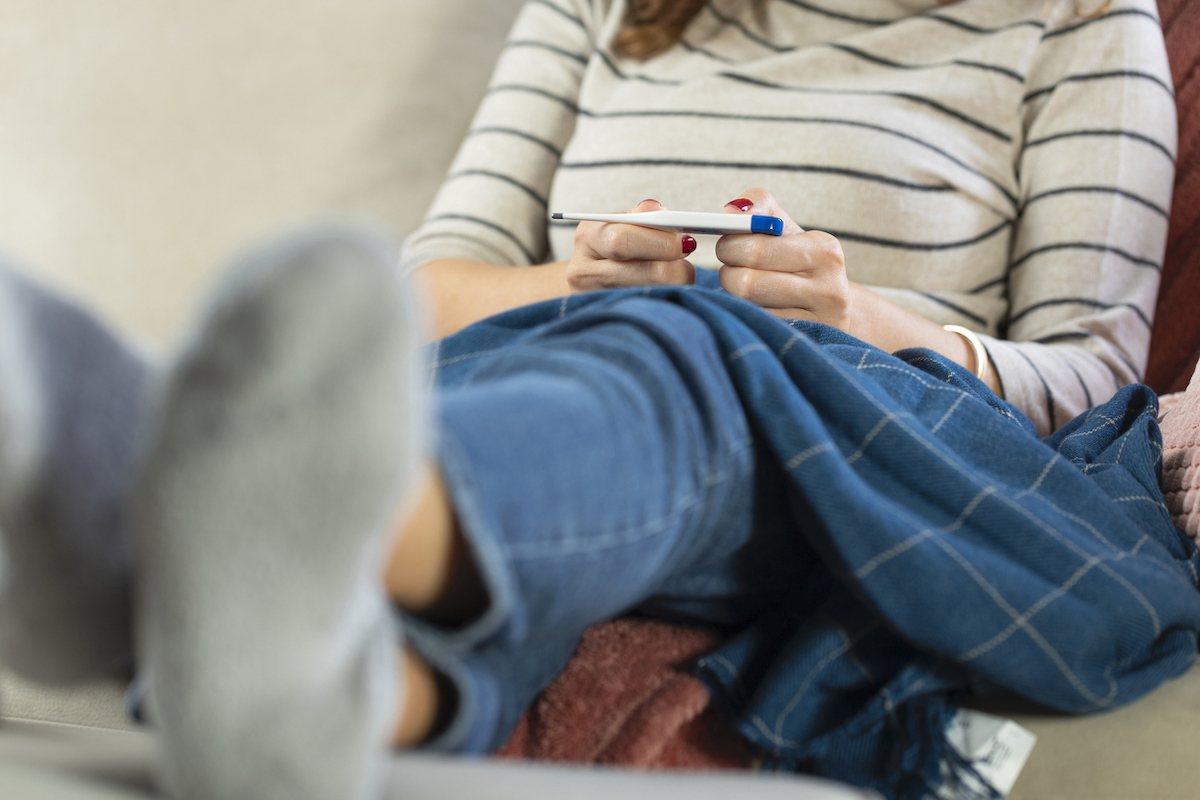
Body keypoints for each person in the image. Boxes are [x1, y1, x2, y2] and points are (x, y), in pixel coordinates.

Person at [0, 2, 1196, 800]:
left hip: (857, 442)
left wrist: (862, 317)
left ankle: (136, 511)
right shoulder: (602, 5)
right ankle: (312, 692)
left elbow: (1091, 378)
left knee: (681, 353)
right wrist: (580, 274)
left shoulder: (1082, 21)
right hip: (535, 371)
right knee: (585, 366)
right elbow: (426, 293)